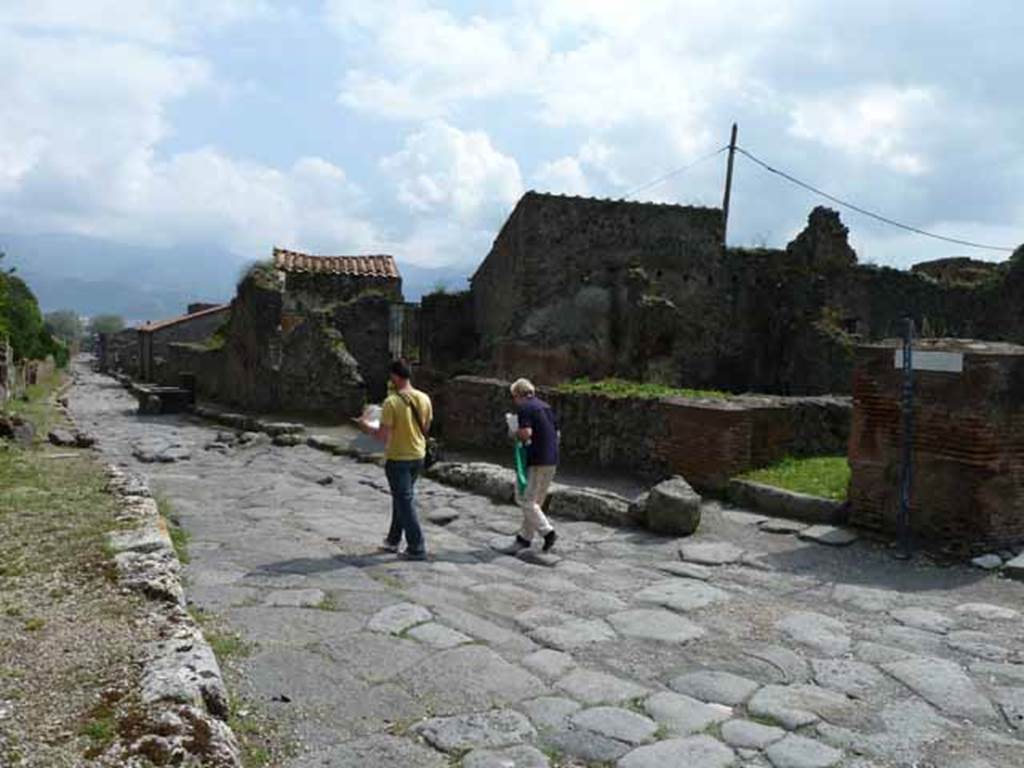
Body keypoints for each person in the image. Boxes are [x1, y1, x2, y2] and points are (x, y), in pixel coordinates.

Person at [355, 359, 433, 560]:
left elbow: (383, 436)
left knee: (404, 501)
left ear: (396, 377)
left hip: (398, 457)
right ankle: (392, 540)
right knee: (401, 498)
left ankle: (417, 546)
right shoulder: (424, 398)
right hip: (418, 455)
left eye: (391, 376)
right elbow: (425, 427)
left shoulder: (392, 402)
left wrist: (365, 426)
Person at [507, 377, 559, 552]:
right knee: (536, 502)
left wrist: (514, 432)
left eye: (513, 397)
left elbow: (526, 434)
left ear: (517, 394)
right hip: (552, 459)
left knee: (525, 500)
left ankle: (548, 532)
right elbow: (557, 433)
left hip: (537, 459)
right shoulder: (546, 407)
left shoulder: (524, 408)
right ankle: (524, 538)